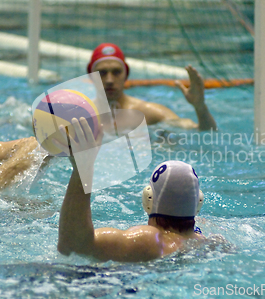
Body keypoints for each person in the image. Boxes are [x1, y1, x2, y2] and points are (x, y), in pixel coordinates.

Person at [56, 117, 204, 262]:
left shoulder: (150, 240)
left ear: (148, 198)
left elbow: (73, 248)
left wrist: (82, 170)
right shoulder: (208, 242)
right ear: (198, 203)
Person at [87, 43, 217, 131]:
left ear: (126, 75)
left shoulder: (148, 113)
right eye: (102, 73)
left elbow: (204, 132)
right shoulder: (81, 115)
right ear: (91, 76)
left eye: (116, 72)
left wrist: (200, 107)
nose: (109, 80)